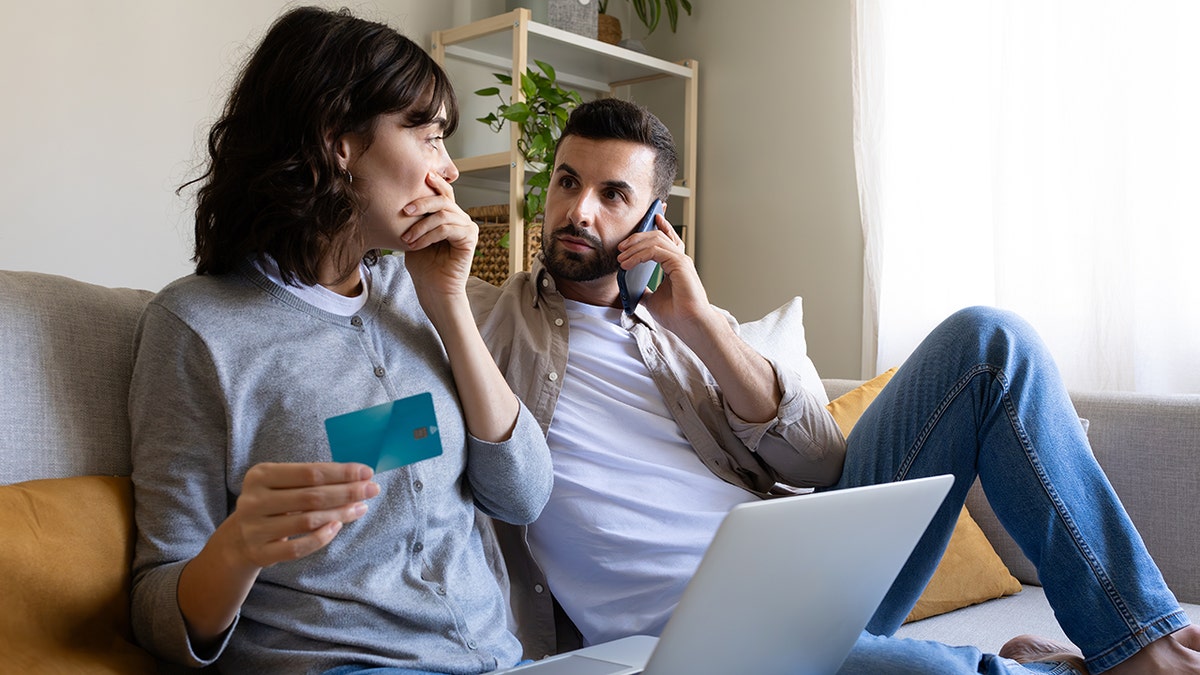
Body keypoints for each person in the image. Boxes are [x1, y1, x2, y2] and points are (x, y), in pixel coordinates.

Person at [466, 97, 1200, 674]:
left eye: (611, 192)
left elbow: (819, 462)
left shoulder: (682, 331)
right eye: (567, 181)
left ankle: (1140, 639)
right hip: (700, 645)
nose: (579, 209)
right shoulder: (480, 316)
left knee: (988, 342)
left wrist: (704, 326)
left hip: (810, 571)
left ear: (656, 219)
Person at [128, 7, 552, 674]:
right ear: (338, 142)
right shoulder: (198, 328)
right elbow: (157, 600)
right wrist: (238, 547)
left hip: (498, 660)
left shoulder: (413, 292)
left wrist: (448, 306)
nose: (450, 171)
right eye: (428, 136)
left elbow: (523, 493)